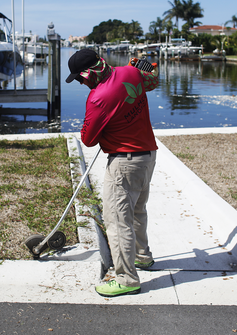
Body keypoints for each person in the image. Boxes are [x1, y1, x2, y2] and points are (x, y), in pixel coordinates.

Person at [65, 49, 160, 297]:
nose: (81, 83)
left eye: (79, 78)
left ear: (89, 73)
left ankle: (127, 279)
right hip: (147, 155)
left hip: (124, 162)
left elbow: (87, 138)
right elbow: (153, 78)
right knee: (137, 211)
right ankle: (142, 257)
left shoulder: (98, 98)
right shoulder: (130, 72)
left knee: (117, 220)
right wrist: (142, 64)